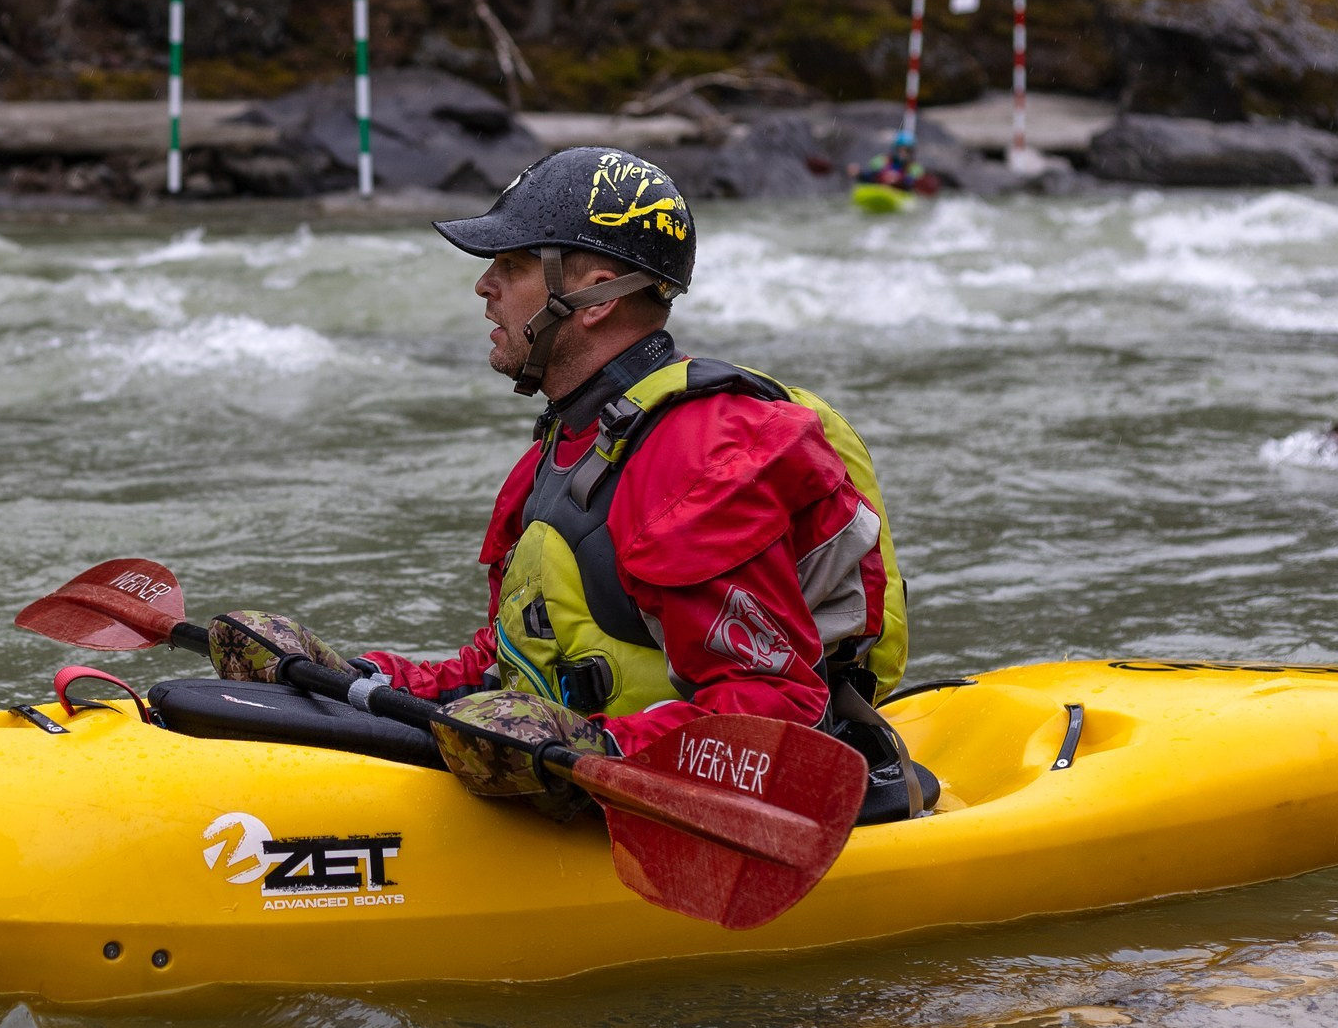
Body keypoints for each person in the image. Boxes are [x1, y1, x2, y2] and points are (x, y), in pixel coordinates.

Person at [209, 146, 933, 822]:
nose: (484, 285)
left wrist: (600, 749)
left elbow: (774, 717)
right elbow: (505, 668)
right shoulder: (566, 449)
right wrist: (346, 678)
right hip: (590, 787)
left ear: (592, 298)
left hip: (731, 809)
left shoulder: (703, 454)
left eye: (513, 263)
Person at [850, 137, 937, 195]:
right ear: (895, 149)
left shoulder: (915, 168)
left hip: (900, 193)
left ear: (911, 152)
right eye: (900, 150)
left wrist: (899, 179)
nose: (903, 153)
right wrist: (859, 173)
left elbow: (914, 184)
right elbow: (870, 176)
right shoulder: (881, 161)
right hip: (879, 190)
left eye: (907, 151)